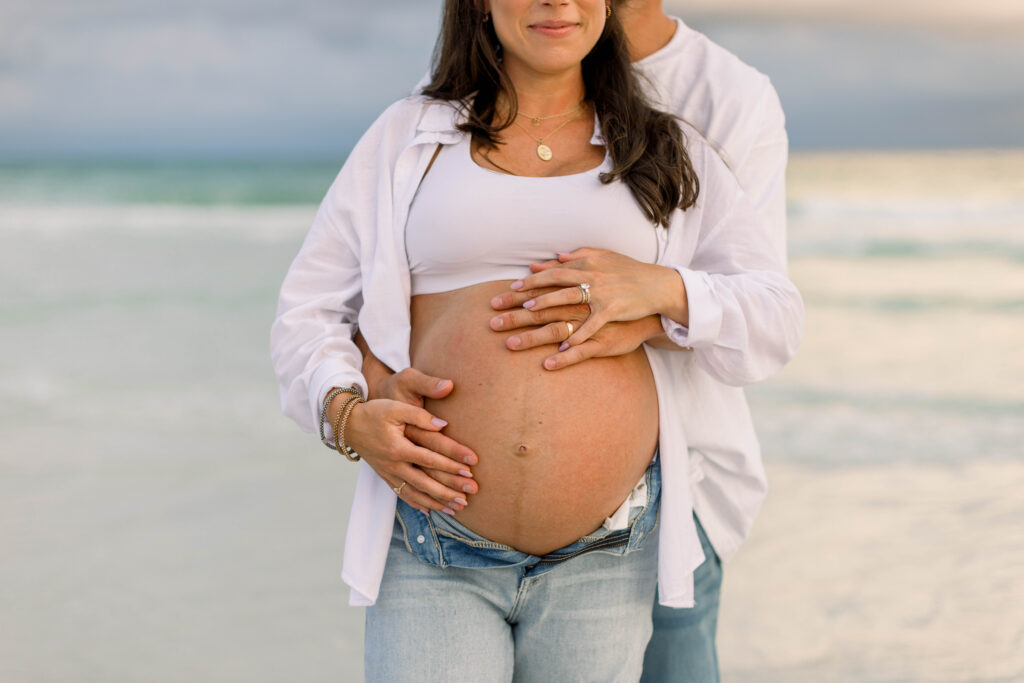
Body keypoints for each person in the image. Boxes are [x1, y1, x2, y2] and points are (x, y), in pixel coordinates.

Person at [270, 0, 801, 680]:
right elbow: (307, 307)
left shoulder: (664, 149)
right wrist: (347, 414)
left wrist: (663, 289)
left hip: (607, 556)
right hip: (437, 543)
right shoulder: (411, 137)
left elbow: (774, 314)